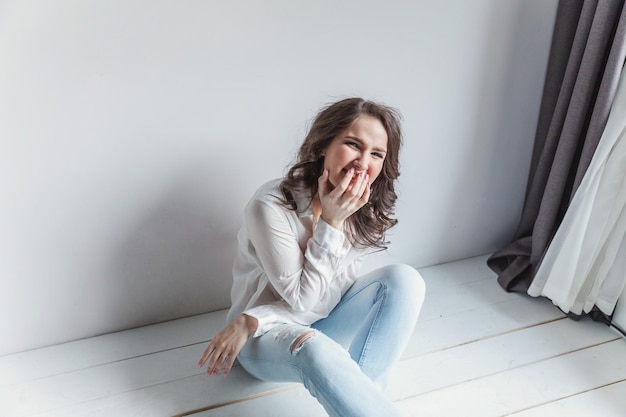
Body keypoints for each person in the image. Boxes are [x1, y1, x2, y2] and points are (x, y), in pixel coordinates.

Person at [198, 97, 426, 417]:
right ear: (323, 146)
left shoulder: (361, 206)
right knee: (314, 347)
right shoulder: (272, 207)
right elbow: (303, 303)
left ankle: (364, 404)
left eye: (376, 154)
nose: (363, 162)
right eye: (352, 144)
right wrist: (331, 224)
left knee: (405, 280)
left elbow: (327, 299)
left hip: (271, 321)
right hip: (261, 339)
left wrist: (255, 315)